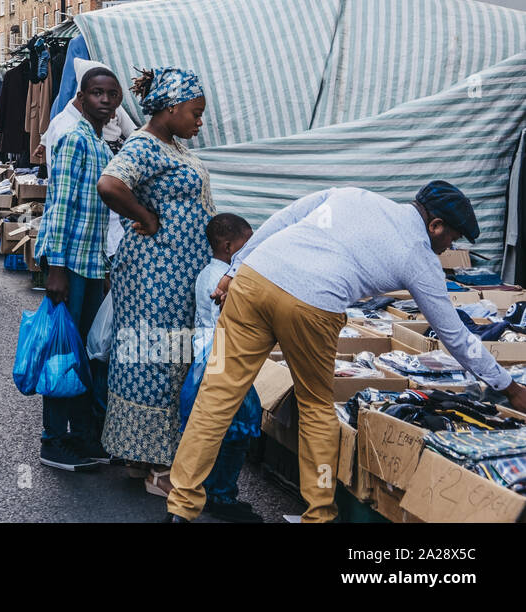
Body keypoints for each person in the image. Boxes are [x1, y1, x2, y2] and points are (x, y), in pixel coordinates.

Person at [167, 181, 526, 523]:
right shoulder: (420, 258)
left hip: (254, 280)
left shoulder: (353, 196)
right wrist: (509, 386)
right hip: (312, 306)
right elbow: (455, 336)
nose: (449, 247)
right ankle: (318, 514)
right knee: (316, 409)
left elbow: (285, 218)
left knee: (216, 394)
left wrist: (235, 267)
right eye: (452, 237)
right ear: (435, 225)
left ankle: (180, 504)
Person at [96, 67, 214, 499]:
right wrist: (145, 218)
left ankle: (138, 455)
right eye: (196, 112)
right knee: (156, 361)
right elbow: (109, 184)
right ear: (171, 107)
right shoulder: (145, 144)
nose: (200, 120)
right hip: (155, 274)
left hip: (175, 273)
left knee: (156, 356)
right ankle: (158, 467)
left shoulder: (172, 145)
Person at [35, 66, 124, 471]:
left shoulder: (99, 142)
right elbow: (60, 206)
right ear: (81, 97)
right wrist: (55, 268)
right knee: (62, 355)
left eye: (111, 94)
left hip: (90, 266)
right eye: (97, 94)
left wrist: (103, 269)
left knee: (84, 355)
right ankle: (53, 440)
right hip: (68, 266)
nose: (105, 100)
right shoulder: (74, 140)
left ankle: (81, 436)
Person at [184, 213, 262, 523]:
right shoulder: (228, 279)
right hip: (222, 359)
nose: (251, 249)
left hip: (207, 356)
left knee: (219, 428)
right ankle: (221, 494)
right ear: (229, 245)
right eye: (247, 243)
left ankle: (215, 490)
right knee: (234, 429)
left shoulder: (208, 272)